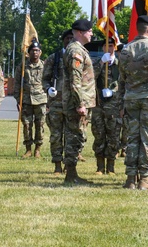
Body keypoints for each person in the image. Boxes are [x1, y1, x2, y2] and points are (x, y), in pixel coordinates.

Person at [116, 15, 148, 190]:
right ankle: (145, 179)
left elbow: (122, 76)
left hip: (131, 98)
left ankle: (130, 178)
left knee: (132, 138)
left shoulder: (125, 50)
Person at [61, 19, 96, 185]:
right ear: (81, 32)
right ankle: (71, 175)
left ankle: (72, 174)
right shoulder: (75, 51)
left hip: (78, 102)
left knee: (77, 136)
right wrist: (80, 103)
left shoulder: (78, 49)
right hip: (76, 103)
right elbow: (75, 80)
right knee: (75, 137)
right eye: (89, 31)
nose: (91, 34)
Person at [44, 29, 74, 173]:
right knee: (56, 135)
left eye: (72, 38)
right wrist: (48, 88)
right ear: (63, 40)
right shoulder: (54, 58)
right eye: (67, 38)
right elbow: (45, 79)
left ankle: (69, 165)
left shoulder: (78, 57)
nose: (70, 40)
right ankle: (57, 164)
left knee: (71, 136)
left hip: (72, 103)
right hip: (56, 102)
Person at [92, 37, 121, 175]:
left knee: (113, 135)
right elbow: (89, 77)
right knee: (99, 133)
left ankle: (111, 166)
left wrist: (114, 91)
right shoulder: (97, 62)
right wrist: (101, 63)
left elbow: (124, 82)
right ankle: (99, 166)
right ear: (103, 48)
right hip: (98, 103)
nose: (109, 48)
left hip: (114, 105)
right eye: (106, 46)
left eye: (111, 45)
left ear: (115, 47)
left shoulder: (119, 64)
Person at [15, 40, 47, 159]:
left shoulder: (44, 66)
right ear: (28, 53)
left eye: (37, 50)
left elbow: (47, 83)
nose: (35, 53)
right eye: (33, 51)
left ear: (40, 52)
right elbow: (17, 84)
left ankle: (37, 149)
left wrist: (49, 101)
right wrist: (18, 100)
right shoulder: (22, 67)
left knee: (40, 125)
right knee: (27, 125)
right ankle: (28, 149)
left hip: (41, 100)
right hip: (26, 100)